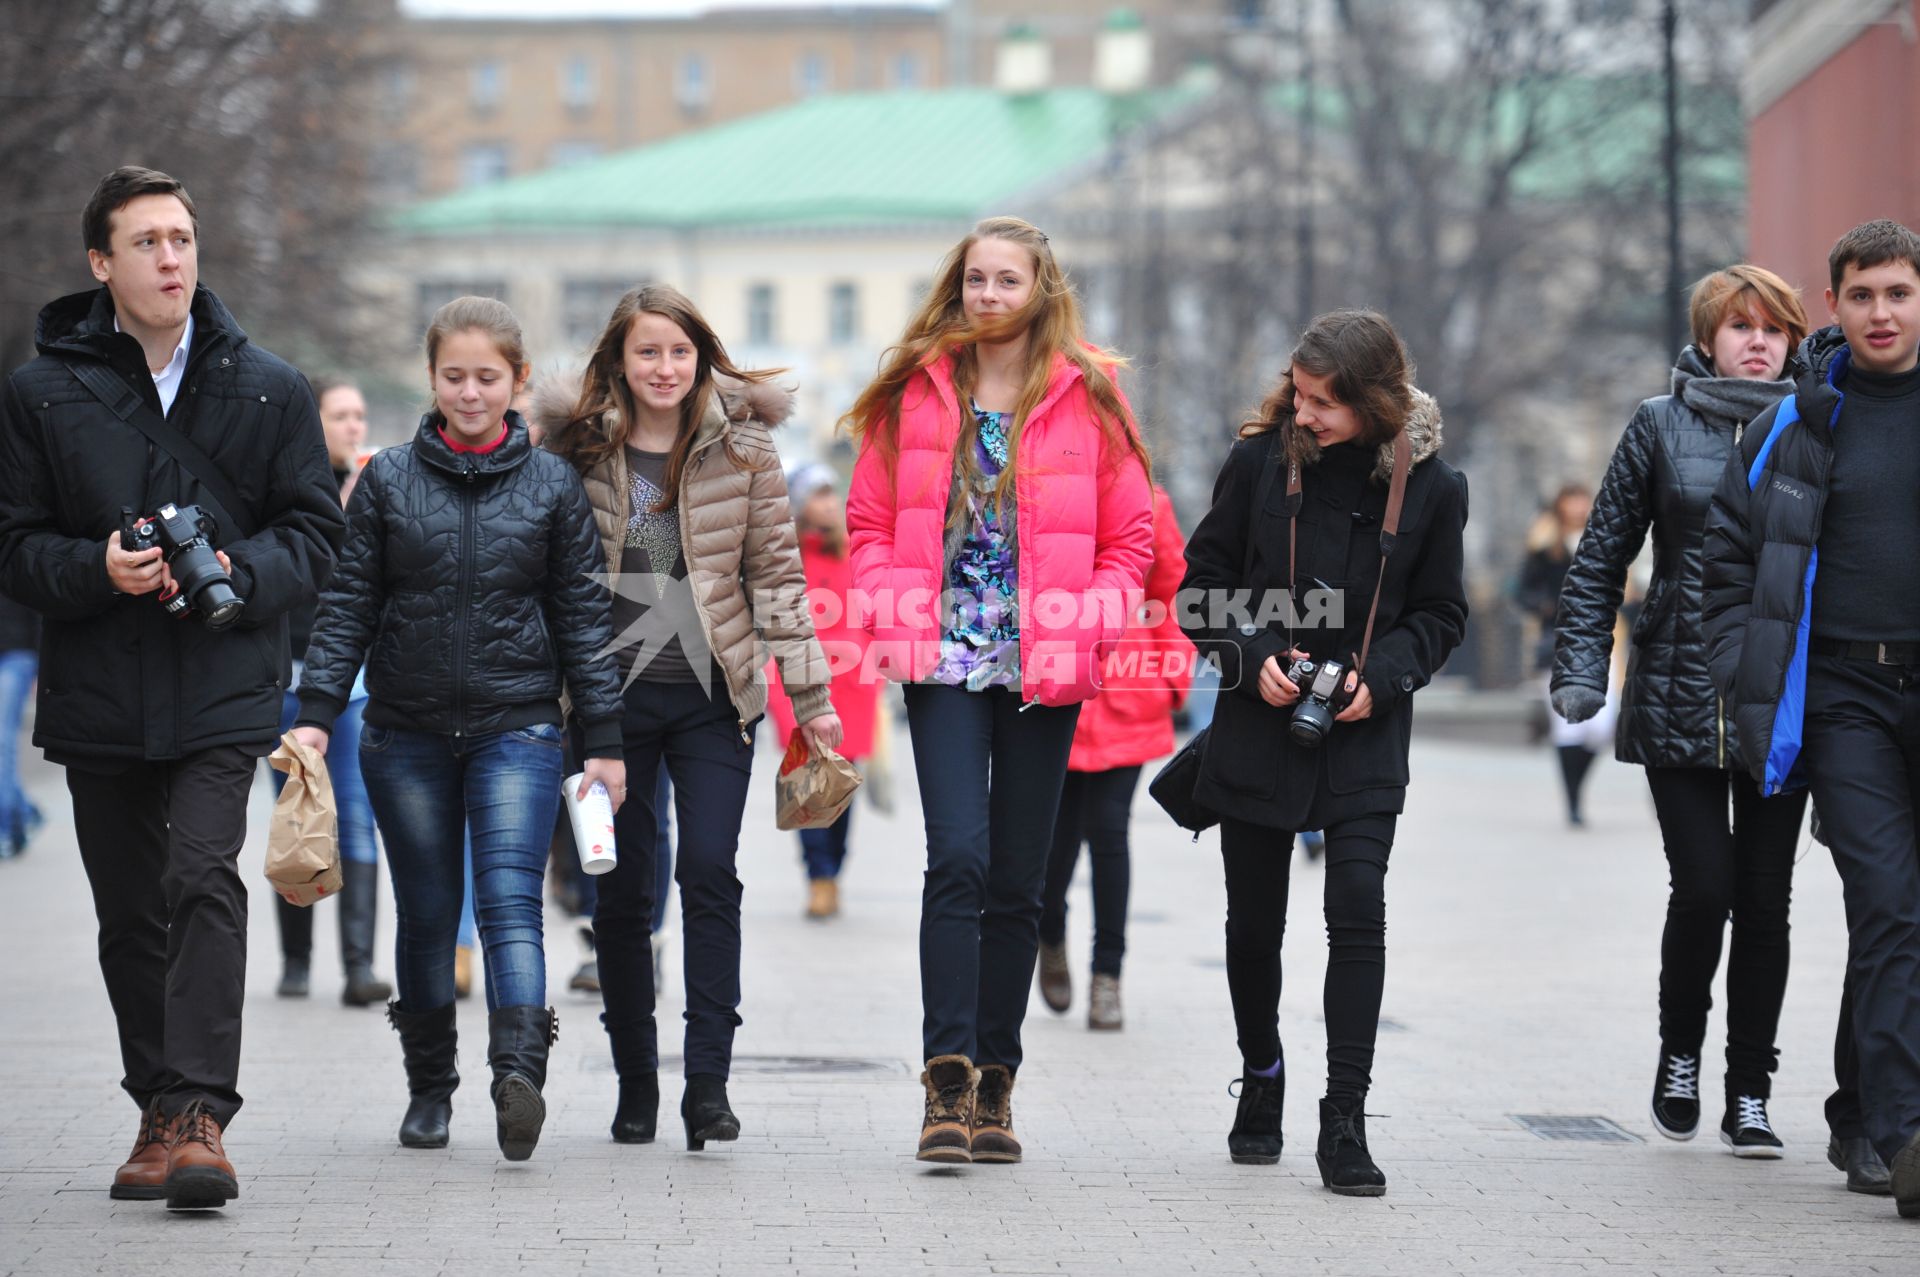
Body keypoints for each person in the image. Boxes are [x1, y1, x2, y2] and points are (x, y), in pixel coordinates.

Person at [0, 166, 344, 1210]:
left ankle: (199, 1115)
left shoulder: (269, 386)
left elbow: (316, 533)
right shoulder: (39, 392)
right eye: (146, 242)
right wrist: (95, 569)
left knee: (201, 877)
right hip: (99, 684)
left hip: (221, 679)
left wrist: (242, 571)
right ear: (102, 262)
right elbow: (13, 547)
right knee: (127, 913)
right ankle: (154, 1105)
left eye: (183, 239)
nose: (170, 259)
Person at [844, 215, 1154, 1165]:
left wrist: (1089, 619)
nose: (987, 296)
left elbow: (1131, 541)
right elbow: (865, 520)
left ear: (1040, 289)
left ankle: (996, 1084)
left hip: (1043, 667)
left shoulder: (1090, 397)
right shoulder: (916, 390)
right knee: (960, 859)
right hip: (942, 662)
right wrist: (892, 602)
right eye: (975, 279)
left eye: (1005, 281)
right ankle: (944, 1078)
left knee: (1018, 879)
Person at [293, 296, 626, 1163]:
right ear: (431, 378)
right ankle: (429, 1091)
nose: (470, 392)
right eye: (453, 376)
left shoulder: (552, 484)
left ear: (517, 381)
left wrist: (604, 740)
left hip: (517, 726)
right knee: (430, 913)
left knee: (512, 901)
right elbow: (347, 605)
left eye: (487, 376)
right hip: (402, 732)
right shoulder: (390, 479)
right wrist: (318, 716)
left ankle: (518, 1076)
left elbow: (585, 619)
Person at [540, 284, 838, 1152]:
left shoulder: (746, 453)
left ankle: (707, 1084)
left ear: (700, 358)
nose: (664, 368)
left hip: (715, 702)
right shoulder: (575, 452)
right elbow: (553, 582)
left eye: (679, 352)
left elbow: (779, 581)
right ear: (619, 362)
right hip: (604, 711)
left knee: (709, 870)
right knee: (622, 893)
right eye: (647, 352)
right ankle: (636, 1081)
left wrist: (811, 701)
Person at [1179, 309, 1468, 1196]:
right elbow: (1200, 592)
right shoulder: (1258, 461)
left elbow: (1441, 615)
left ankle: (1345, 1115)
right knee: (1254, 922)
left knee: (1356, 906)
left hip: (1364, 727)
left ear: (1373, 402)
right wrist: (1254, 654)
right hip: (1259, 723)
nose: (1303, 415)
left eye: (1323, 404)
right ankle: (1261, 1073)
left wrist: (1378, 677)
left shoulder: (1434, 487)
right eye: (1298, 396)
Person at [1554, 264, 1821, 1160]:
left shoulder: (1819, 424)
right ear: (1707, 338)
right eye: (1739, 325)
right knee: (1704, 886)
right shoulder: (1658, 424)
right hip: (1677, 689)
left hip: (1781, 697)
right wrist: (1583, 670)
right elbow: (1600, 559)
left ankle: (1751, 1087)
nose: (1757, 340)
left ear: (1791, 339)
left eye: (1773, 328)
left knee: (1767, 898)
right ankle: (1680, 1051)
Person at [1703, 220, 1920, 1216]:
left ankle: (1863, 1102)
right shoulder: (1793, 426)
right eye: (1864, 294)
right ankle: (1898, 1129)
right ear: (1833, 304)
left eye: (1899, 293)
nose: (1882, 312)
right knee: (1886, 902)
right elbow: (1726, 569)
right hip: (1842, 696)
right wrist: (1741, 669)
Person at [1036, 483, 1189, 1030]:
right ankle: (1048, 932)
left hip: (1129, 691)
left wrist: (1174, 673)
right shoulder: (1040, 485)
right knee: (1052, 845)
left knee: (1108, 830)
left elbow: (1172, 588)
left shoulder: (1151, 498)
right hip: (1054, 689)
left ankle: (1108, 977)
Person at [271, 376, 391, 1007]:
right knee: (295, 814)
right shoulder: (286, 488)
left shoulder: (371, 488)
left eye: (359, 414)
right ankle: (296, 962)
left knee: (355, 814)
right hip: (287, 682)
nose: (353, 427)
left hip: (355, 688)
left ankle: (358, 966)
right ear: (311, 422)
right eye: (341, 415)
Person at [767, 461, 878, 920]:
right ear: (799, 505)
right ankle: (818, 875)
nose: (830, 503)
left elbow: (874, 612)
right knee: (807, 785)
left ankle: (834, 871)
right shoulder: (785, 558)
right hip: (798, 684)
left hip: (853, 687)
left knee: (841, 785)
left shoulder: (855, 552)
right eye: (819, 494)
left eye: (833, 494)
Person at [1519, 484, 1613, 826]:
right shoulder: (1545, 546)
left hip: (1605, 641)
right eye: (1571, 502)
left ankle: (1576, 786)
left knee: (1602, 726)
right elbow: (1524, 590)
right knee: (1567, 726)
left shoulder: (1603, 537)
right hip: (1557, 643)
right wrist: (1546, 606)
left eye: (1582, 502)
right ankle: (1573, 801)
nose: (1577, 508)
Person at [0, 593, 41, 858]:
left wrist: (44, 665)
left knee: (2, 741)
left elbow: (38, 601)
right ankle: (25, 813)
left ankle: (4, 828)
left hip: (17, 653)